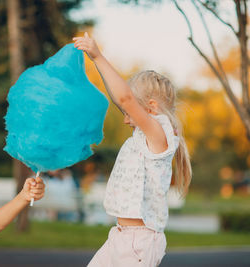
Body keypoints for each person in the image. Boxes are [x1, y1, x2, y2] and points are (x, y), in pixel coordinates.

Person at [73, 33, 192, 267]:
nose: (125, 119)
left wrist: (99, 56)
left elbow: (126, 99)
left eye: (129, 112)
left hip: (140, 241)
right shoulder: (144, 132)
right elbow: (121, 98)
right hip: (120, 235)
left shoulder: (159, 135)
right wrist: (95, 63)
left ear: (151, 107)